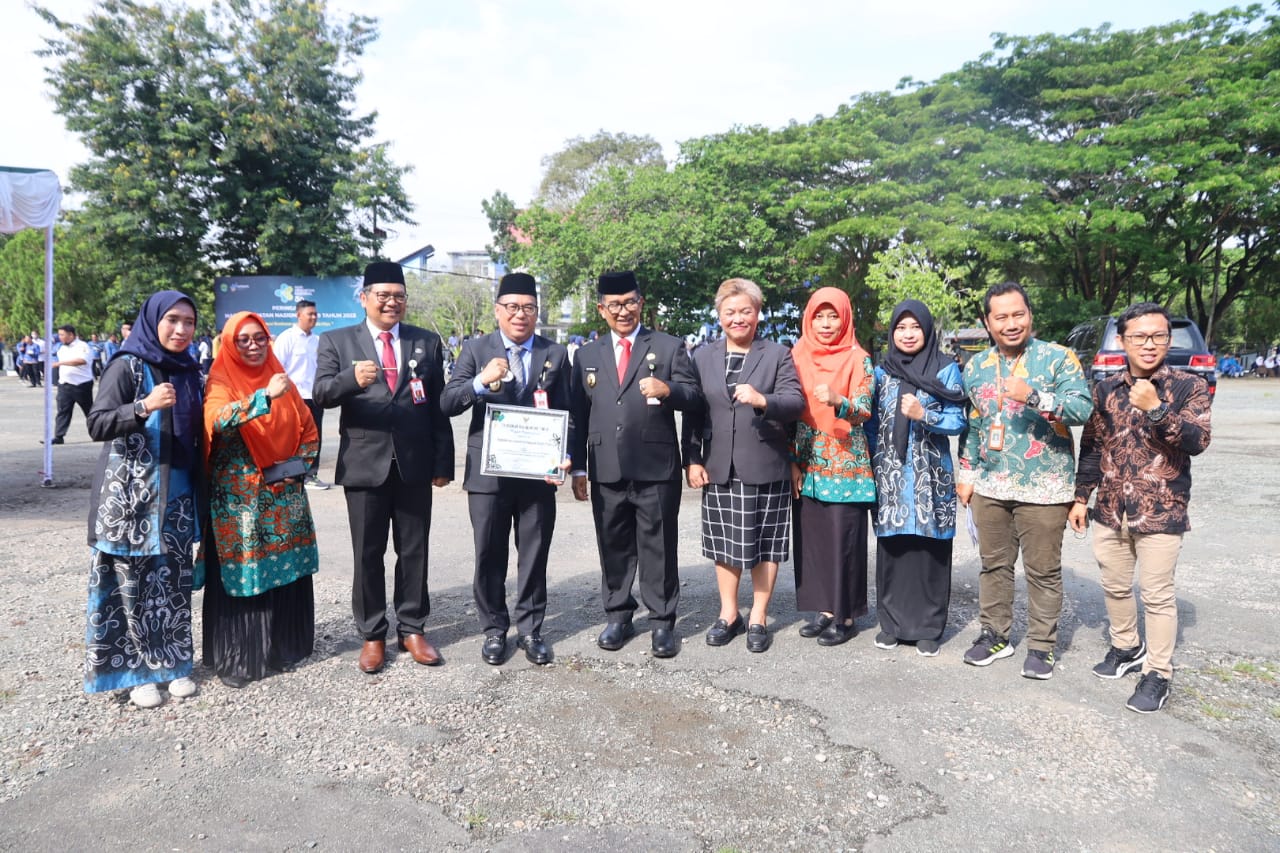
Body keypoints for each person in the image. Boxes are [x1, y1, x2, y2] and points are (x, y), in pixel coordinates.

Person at [1069, 302, 1212, 713]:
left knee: (1157, 594)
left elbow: (1197, 441)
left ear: (1168, 339)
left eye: (1158, 336)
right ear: (1123, 340)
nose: (1149, 345)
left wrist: (1157, 408)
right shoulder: (1105, 389)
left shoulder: (1189, 386)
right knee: (1114, 585)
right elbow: (1093, 446)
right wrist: (1082, 497)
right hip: (1111, 507)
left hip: (1161, 509)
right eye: (1139, 336)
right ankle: (1126, 646)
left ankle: (1158, 673)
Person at [313, 261, 454, 674]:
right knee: (368, 553)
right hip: (364, 464)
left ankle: (412, 628)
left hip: (414, 464)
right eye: (383, 296)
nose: (392, 303)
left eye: (399, 296)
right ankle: (373, 634)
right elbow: (321, 394)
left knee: (414, 550)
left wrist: (442, 461)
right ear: (365, 299)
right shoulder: (337, 341)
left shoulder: (425, 342)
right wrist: (349, 380)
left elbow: (439, 407)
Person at [956, 282, 1093, 679]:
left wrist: (1033, 396)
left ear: (1030, 315)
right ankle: (995, 635)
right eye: (1001, 316)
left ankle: (1041, 646)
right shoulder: (977, 366)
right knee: (993, 565)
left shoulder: (1058, 358)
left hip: (1045, 487)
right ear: (987, 321)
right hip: (991, 486)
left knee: (1043, 571)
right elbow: (976, 423)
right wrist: (967, 473)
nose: (1011, 323)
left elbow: (1082, 408)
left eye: (1018, 314)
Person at [569, 270, 702, 658]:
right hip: (605, 465)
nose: (623, 310)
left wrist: (670, 389)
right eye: (614, 305)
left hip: (656, 465)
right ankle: (618, 615)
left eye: (630, 302)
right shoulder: (587, 355)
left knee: (658, 545)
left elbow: (694, 398)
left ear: (641, 303)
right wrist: (578, 467)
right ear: (601, 309)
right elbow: (577, 414)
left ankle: (662, 622)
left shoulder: (669, 346)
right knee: (613, 544)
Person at [441, 272, 572, 666]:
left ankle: (531, 629)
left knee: (534, 554)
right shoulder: (476, 349)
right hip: (488, 473)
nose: (520, 315)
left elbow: (569, 412)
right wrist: (481, 381)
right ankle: (494, 629)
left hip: (538, 473)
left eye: (528, 308)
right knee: (489, 553)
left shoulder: (555, 353)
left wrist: (565, 456)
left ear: (537, 312)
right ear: (498, 310)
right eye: (512, 307)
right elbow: (449, 402)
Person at [84, 290, 204, 709]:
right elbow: (97, 423)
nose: (181, 329)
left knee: (173, 585)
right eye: (173, 320)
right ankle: (137, 672)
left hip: (178, 495)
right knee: (130, 588)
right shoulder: (126, 365)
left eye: (188, 322)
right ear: (153, 320)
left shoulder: (191, 370)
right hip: (131, 502)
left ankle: (172, 664)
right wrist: (143, 406)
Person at [683, 278, 804, 653]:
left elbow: (795, 402)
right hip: (719, 464)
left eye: (745, 311)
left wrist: (762, 399)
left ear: (758, 313)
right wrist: (692, 459)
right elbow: (693, 411)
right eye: (730, 312)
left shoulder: (778, 354)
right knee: (725, 544)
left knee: (765, 545)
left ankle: (759, 617)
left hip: (766, 462)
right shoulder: (702, 356)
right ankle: (729, 614)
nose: (738, 319)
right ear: (719, 316)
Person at [202, 311, 320, 688]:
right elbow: (216, 419)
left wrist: (301, 465)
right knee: (248, 575)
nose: (253, 346)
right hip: (241, 503)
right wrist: (262, 398)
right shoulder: (221, 378)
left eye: (259, 338)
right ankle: (241, 657)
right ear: (229, 343)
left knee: (285, 573)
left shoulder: (279, 374)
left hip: (283, 493)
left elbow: (307, 425)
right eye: (244, 340)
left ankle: (284, 647)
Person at [868, 300, 968, 655]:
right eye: (901, 328)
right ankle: (891, 624)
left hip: (930, 475)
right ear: (893, 332)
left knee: (930, 550)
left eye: (915, 327)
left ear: (927, 330)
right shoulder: (883, 372)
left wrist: (925, 414)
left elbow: (959, 420)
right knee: (893, 549)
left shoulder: (945, 370)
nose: (908, 334)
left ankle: (929, 628)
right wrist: (871, 468)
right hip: (891, 474)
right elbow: (869, 424)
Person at [788, 287, 876, 647]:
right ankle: (824, 609)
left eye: (833, 316)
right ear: (809, 318)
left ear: (845, 318)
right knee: (814, 539)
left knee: (844, 540)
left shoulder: (859, 358)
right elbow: (789, 411)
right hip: (807, 461)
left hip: (845, 464)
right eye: (819, 316)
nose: (826, 324)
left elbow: (865, 408)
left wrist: (840, 401)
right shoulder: (796, 355)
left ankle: (847, 614)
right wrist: (791, 461)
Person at [273, 299, 330, 490]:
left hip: (314, 396)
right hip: (292, 398)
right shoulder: (286, 338)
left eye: (315, 314)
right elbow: (276, 368)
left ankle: (311, 475)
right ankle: (291, 475)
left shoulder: (318, 341)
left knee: (315, 437)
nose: (314, 317)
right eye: (310, 314)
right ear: (298, 315)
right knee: (293, 437)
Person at [48, 325, 95, 445]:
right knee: (63, 411)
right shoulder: (62, 348)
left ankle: (97, 433)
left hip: (81, 385)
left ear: (71, 335)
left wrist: (60, 363)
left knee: (89, 411)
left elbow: (82, 361)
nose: (60, 337)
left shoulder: (83, 346)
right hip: (65, 384)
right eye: (59, 334)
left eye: (62, 334)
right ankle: (59, 436)